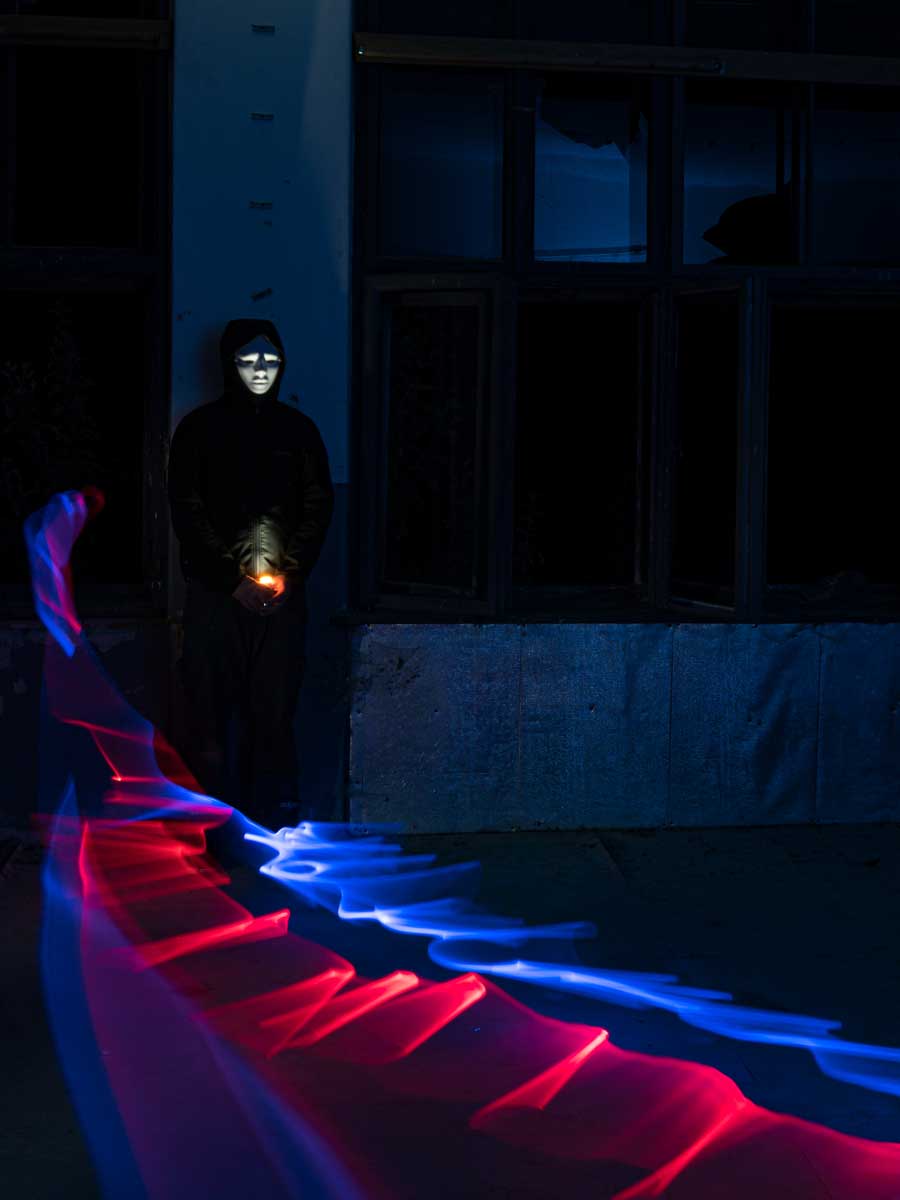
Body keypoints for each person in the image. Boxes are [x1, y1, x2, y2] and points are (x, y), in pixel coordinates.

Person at [167, 317, 334, 829]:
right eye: (249, 359)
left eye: (270, 360)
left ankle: (271, 825)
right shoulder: (199, 430)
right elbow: (188, 511)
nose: (261, 369)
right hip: (215, 600)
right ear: (228, 364)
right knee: (209, 714)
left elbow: (317, 506)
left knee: (274, 713)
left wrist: (289, 574)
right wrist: (230, 581)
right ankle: (213, 829)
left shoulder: (299, 432)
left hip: (279, 601)